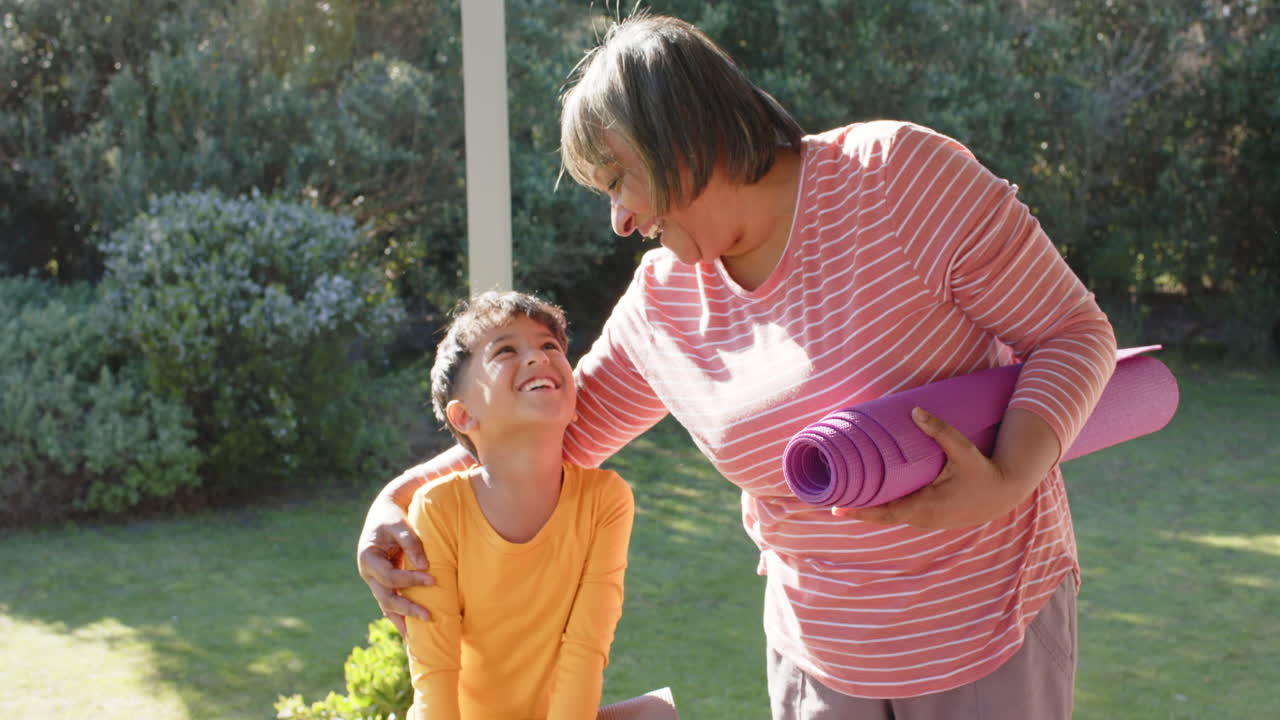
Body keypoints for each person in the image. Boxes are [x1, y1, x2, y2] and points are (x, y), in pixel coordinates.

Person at [359, 13, 1116, 720]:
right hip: (818, 663)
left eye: (619, 179)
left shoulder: (897, 177)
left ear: (680, 136)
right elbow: (547, 436)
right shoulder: (662, 303)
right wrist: (394, 500)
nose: (619, 219)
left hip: (988, 629)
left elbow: (1074, 332)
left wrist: (1009, 477)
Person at [398, 290, 634, 719]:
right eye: (506, 350)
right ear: (464, 416)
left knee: (657, 714)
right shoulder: (437, 509)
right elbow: (435, 673)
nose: (538, 357)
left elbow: (586, 650)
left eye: (549, 346)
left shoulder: (606, 500)